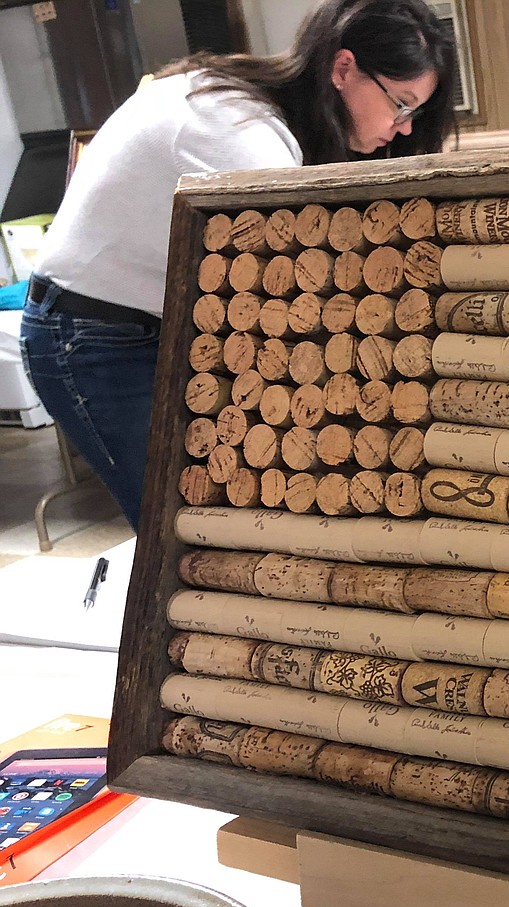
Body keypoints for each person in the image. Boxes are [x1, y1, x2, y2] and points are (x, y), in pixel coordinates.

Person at [20, 0, 455, 531]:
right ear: (344, 69)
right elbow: (294, 312)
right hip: (91, 334)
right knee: (177, 527)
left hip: (141, 325)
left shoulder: (259, 114)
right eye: (401, 105)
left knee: (205, 515)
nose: (403, 128)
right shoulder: (241, 137)